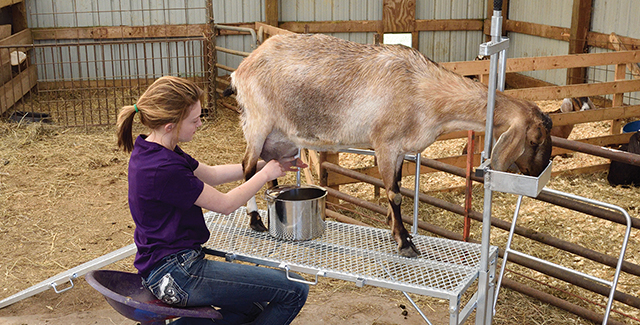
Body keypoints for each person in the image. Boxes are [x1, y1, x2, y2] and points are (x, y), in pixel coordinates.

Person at [116, 76, 309, 325]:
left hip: (170, 268)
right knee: (295, 290)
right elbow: (225, 204)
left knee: (252, 306)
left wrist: (268, 164)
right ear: (169, 125)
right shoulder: (164, 168)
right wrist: (264, 175)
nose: (200, 124)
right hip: (177, 275)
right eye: (194, 120)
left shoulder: (154, 149)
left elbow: (214, 174)